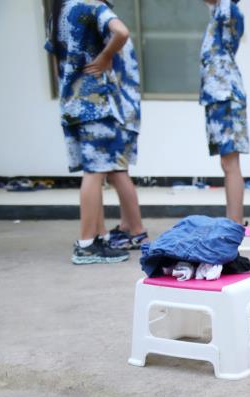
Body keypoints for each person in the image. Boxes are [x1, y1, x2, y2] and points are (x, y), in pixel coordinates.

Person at [46, 0, 138, 264]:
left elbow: (56, 60)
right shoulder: (91, 5)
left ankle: (98, 238)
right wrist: (106, 56)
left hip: (72, 102)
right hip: (95, 102)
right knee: (95, 173)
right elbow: (121, 31)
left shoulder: (58, 11)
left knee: (93, 171)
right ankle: (87, 243)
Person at [200, 0, 249, 224]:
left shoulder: (228, 9)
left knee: (231, 163)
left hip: (225, 94)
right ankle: (233, 221)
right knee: (227, 163)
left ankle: (235, 223)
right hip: (218, 95)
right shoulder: (217, 13)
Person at [104, 11, 147, 251]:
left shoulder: (104, 19)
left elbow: (122, 34)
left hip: (120, 108)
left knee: (117, 170)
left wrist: (103, 56)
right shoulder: (109, 19)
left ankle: (137, 230)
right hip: (126, 106)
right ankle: (127, 226)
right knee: (119, 169)